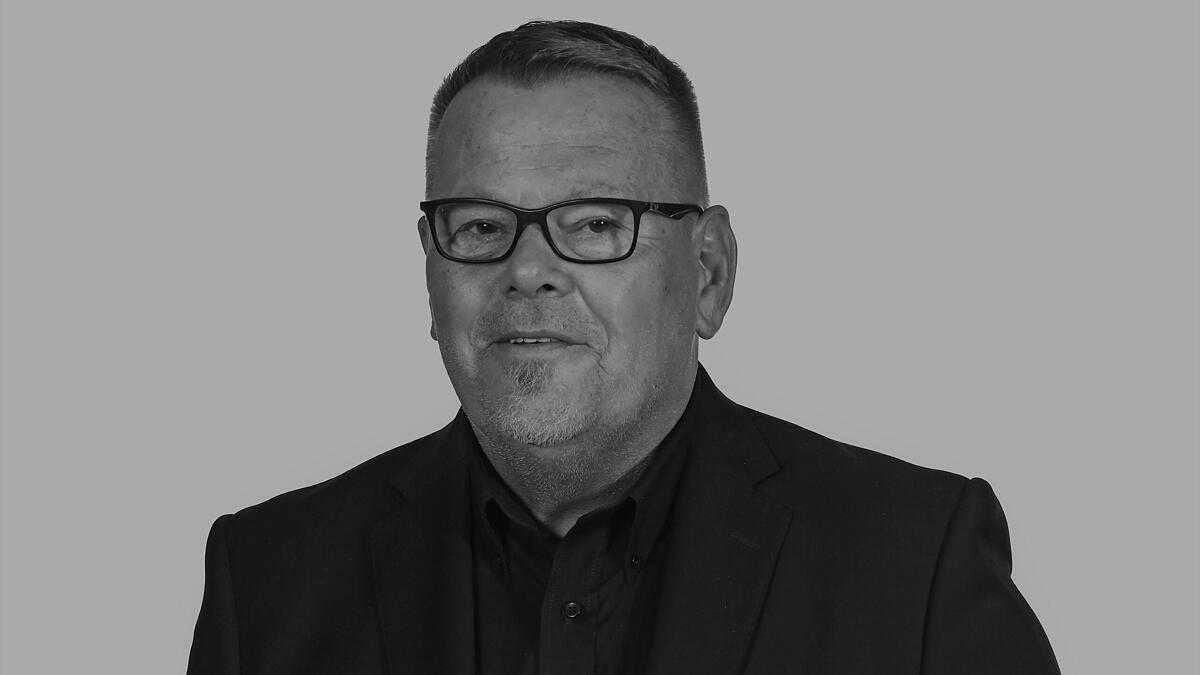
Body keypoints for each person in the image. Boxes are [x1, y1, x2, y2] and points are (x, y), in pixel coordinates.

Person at [187, 20, 1059, 674]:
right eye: (480, 225)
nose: (528, 271)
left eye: (596, 223)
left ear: (708, 272)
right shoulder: (266, 584)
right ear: (430, 274)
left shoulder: (914, 569)